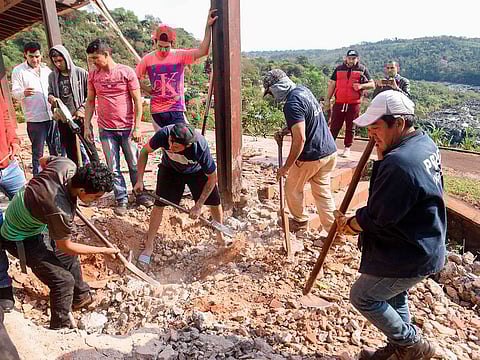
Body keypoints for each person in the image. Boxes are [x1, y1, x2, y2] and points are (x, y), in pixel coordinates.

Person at [334, 90, 444, 360]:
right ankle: (400, 351)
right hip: (420, 239)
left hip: (410, 250)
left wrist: (351, 224)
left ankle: (412, 343)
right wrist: (384, 151)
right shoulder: (423, 144)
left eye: (376, 127)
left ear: (400, 123)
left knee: (364, 296)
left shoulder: (400, 163)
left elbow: (379, 216)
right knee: (395, 297)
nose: (372, 135)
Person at [0, 156, 119, 329]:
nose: (96, 201)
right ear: (82, 191)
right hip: (19, 236)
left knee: (69, 259)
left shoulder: (66, 165)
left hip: (35, 222)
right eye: (95, 197)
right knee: (63, 281)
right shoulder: (59, 210)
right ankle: (60, 327)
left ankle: (81, 297)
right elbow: (67, 245)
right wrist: (104, 250)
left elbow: (43, 161)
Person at [133, 123, 225, 266]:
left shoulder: (199, 147)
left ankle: (220, 236)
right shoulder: (164, 134)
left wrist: (199, 205)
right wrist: (139, 180)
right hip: (170, 170)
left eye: (176, 148)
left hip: (196, 172)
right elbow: (144, 151)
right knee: (158, 205)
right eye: (170, 143)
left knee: (214, 202)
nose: (171, 148)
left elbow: (212, 177)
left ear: (187, 146)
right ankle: (149, 245)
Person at [263, 69, 338, 233]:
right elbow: (307, 119)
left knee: (292, 188)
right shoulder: (303, 90)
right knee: (323, 194)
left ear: (277, 87)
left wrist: (286, 167)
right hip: (329, 152)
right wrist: (286, 130)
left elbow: (300, 139)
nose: (272, 96)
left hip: (311, 156)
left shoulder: (291, 104)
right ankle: (335, 233)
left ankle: (300, 221)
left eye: (271, 92)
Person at [84, 39, 153, 216]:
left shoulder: (126, 72)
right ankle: (121, 198)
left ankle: (140, 194)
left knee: (134, 163)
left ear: (106, 55)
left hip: (127, 128)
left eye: (96, 58)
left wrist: (137, 127)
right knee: (112, 166)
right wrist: (86, 127)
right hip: (106, 130)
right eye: (91, 59)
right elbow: (90, 101)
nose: (93, 62)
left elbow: (138, 101)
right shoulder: (93, 75)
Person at [135, 9, 217, 131]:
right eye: (160, 47)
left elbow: (203, 51)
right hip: (157, 111)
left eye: (166, 47)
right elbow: (134, 79)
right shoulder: (147, 59)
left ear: (172, 44)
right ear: (155, 42)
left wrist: (207, 27)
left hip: (176, 108)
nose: (163, 51)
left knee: (186, 141)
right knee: (165, 146)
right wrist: (148, 90)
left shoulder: (179, 55)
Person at [11, 42, 61, 175]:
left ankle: (56, 176)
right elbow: (14, 93)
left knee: (55, 150)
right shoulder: (19, 71)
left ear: (41, 55)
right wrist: (23, 93)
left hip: (52, 116)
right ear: (25, 55)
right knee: (37, 152)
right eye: (31, 56)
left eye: (37, 56)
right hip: (35, 119)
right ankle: (38, 181)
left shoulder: (47, 70)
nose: (35, 60)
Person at [48, 45, 99, 166]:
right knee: (71, 152)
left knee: (90, 148)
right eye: (55, 61)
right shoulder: (52, 77)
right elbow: (50, 93)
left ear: (66, 58)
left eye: (60, 60)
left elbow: (91, 95)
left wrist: (82, 109)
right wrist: (52, 99)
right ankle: (78, 177)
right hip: (64, 119)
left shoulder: (81, 73)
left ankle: (98, 175)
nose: (58, 64)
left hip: (81, 119)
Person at [0, 92, 26, 311]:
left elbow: (6, 116)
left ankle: (54, 266)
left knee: (34, 210)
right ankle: (3, 285)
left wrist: (14, 140)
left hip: (8, 166)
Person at [326, 49, 375, 158]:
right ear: (346, 58)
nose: (351, 60)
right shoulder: (339, 69)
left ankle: (347, 148)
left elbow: (372, 84)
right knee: (334, 125)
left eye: (353, 58)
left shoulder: (362, 69)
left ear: (357, 59)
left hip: (354, 103)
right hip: (339, 102)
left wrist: (361, 86)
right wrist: (327, 99)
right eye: (349, 58)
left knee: (350, 126)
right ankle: (329, 147)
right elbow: (332, 84)